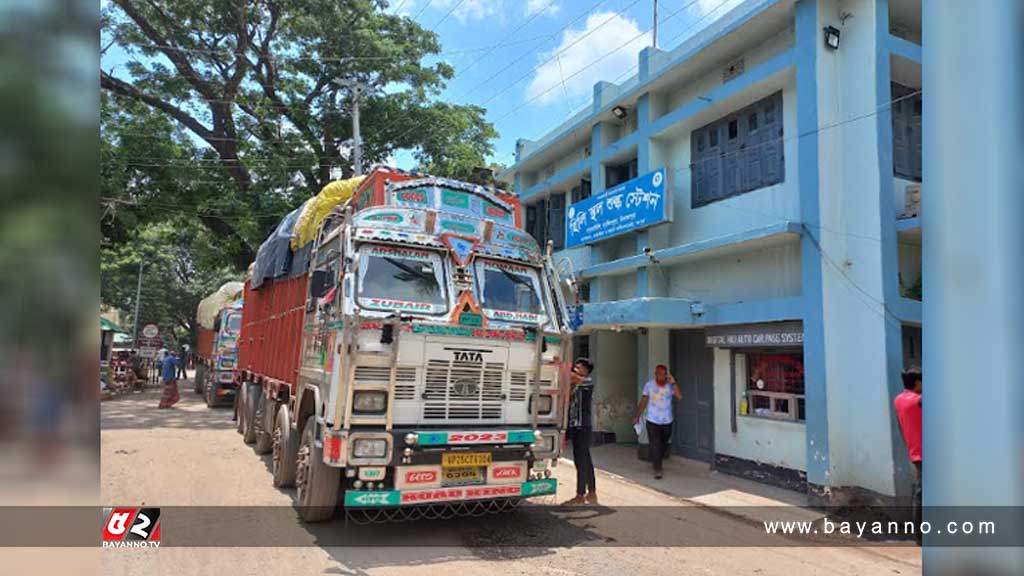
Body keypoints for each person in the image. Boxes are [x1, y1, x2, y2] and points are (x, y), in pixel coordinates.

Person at [634, 365, 682, 479]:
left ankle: (658, 460)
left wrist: (673, 383)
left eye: (664, 374)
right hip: (652, 420)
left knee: (664, 445)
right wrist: (637, 416)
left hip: (667, 420)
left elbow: (679, 396)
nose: (662, 376)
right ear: (656, 374)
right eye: (660, 374)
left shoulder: (670, 386)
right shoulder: (649, 385)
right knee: (655, 444)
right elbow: (644, 401)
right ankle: (658, 468)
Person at [894, 367, 922, 545]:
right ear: (918, 382)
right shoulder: (919, 401)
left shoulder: (898, 400)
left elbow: (901, 427)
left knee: (921, 493)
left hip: (915, 452)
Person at [562, 358, 596, 505]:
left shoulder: (588, 382)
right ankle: (592, 492)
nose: (575, 369)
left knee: (581, 461)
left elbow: (573, 377)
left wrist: (562, 366)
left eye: (578, 367)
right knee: (585, 460)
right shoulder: (576, 385)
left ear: (585, 370)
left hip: (582, 426)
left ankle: (580, 495)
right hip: (576, 425)